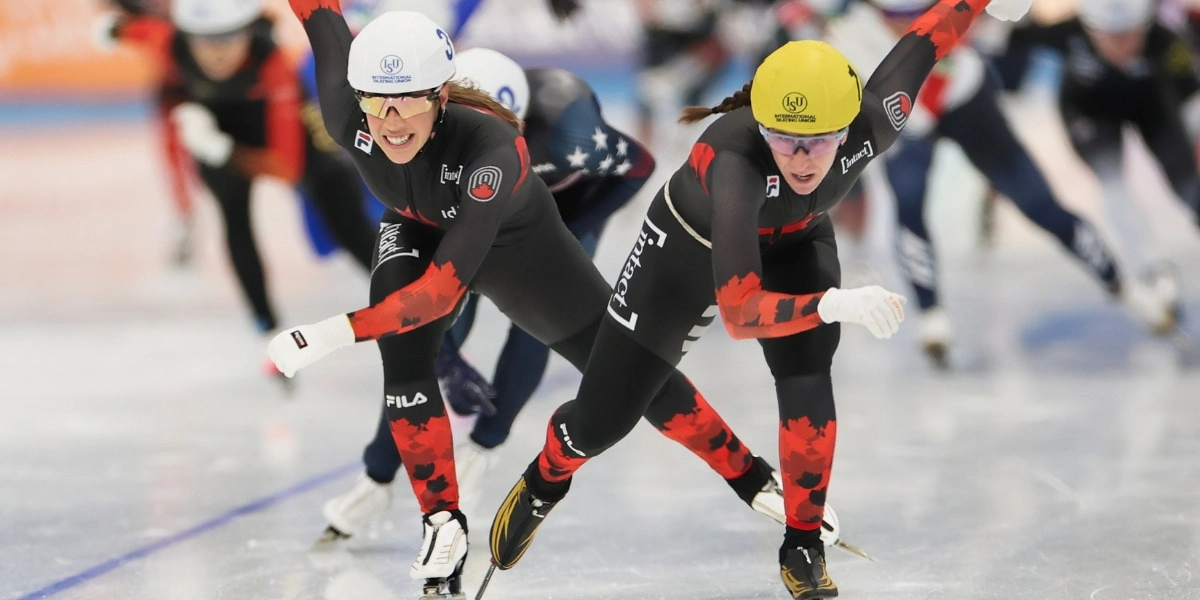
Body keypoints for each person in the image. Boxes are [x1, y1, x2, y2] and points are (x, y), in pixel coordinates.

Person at [483, 0, 1031, 598]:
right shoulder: (736, 162)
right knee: (600, 422)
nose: (799, 159)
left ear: (848, 128)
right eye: (782, 139)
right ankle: (547, 475)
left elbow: (924, 40)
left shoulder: (878, 118)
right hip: (686, 254)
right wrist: (831, 304)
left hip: (798, 239)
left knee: (807, 373)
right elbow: (741, 312)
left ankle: (803, 543)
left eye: (817, 143)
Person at [266, 4, 812, 597]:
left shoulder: (492, 149)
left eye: (410, 101)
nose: (391, 122)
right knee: (403, 357)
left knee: (627, 366)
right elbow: (320, 14)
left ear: (442, 95)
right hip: (414, 227)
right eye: (377, 101)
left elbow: (442, 292)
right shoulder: (350, 111)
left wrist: (330, 333)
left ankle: (752, 477)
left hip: (516, 246)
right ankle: (442, 521)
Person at [317, 47, 660, 537]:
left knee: (538, 327)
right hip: (462, 213)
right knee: (419, 342)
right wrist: (447, 363)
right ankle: (376, 476)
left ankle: (485, 446)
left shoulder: (568, 130)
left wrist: (576, 225)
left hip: (545, 219)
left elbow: (639, 164)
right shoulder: (435, 130)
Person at [826, 0, 1175, 367]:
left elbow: (994, 25)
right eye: (896, 18)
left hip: (963, 95)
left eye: (918, 15)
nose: (906, 26)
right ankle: (931, 316)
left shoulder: (939, 21)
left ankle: (1122, 285)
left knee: (1039, 203)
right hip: (905, 114)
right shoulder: (847, 33)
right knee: (908, 200)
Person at [99, 0, 378, 350]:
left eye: (230, 36)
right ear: (187, 35)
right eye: (206, 38)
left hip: (275, 131)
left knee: (340, 206)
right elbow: (138, 31)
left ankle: (402, 294)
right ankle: (265, 325)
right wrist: (112, 30)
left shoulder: (272, 64)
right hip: (216, 125)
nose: (218, 51)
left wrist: (223, 150)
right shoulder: (171, 41)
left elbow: (286, 168)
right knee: (235, 218)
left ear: (250, 29)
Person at [989, 0, 1200, 328]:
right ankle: (1153, 269)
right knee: (1113, 183)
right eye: (1109, 36)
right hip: (1089, 115)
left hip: (1153, 109)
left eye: (1129, 36)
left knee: (1188, 184)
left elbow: (1192, 100)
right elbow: (1007, 37)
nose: (1120, 46)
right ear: (1090, 29)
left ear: (1144, 26)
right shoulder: (1067, 33)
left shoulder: (1166, 41)